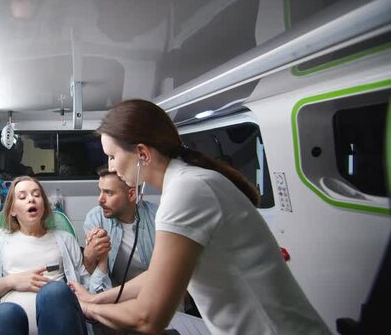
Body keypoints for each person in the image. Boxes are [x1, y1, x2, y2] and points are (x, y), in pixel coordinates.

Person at [69, 99, 329, 334]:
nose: (111, 166)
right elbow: (157, 275)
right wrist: (98, 299)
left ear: (142, 154)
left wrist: (88, 310)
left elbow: (148, 318)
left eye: (113, 156)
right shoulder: (188, 182)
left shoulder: (186, 192)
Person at [0, 176, 89, 335]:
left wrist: (99, 263)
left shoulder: (66, 240)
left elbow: (88, 289)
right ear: (12, 210)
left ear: (44, 205)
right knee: (6, 313)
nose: (31, 199)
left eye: (36, 195)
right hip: (7, 325)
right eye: (22, 197)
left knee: (54, 292)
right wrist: (9, 282)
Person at [83, 165, 157, 295]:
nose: (100, 199)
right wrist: (89, 257)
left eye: (109, 193)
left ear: (132, 194)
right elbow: (95, 280)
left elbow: (173, 272)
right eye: (100, 191)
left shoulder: (157, 218)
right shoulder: (95, 219)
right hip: (115, 294)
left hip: (155, 293)